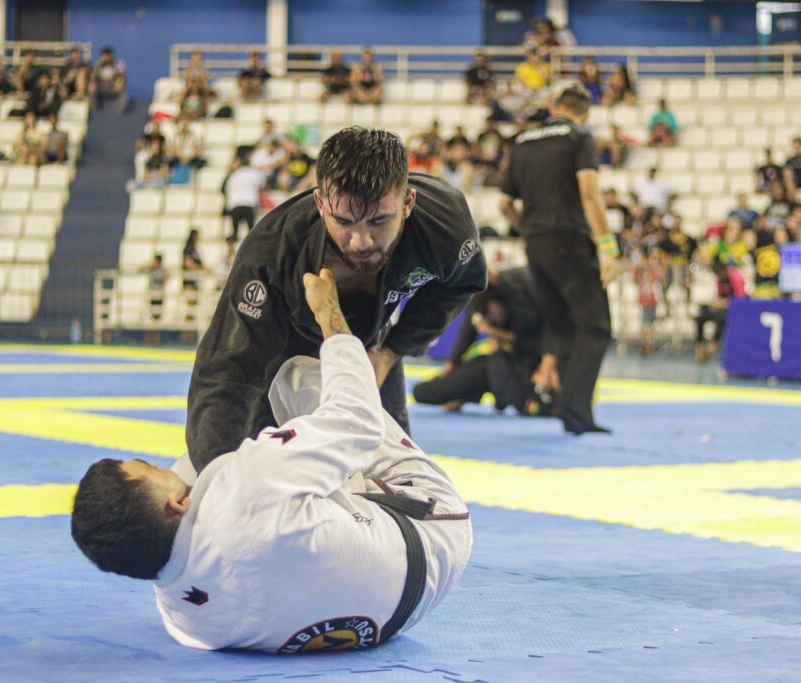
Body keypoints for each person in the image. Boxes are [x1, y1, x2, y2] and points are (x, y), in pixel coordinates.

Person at [71, 274, 472, 651]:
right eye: (151, 470)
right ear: (175, 505)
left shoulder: (185, 621)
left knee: (224, 474)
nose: (160, 467)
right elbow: (358, 422)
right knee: (298, 377)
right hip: (435, 534)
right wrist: (331, 319)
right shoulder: (251, 486)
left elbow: (204, 485)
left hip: (389, 619)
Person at [186, 127, 486, 471]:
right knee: (269, 470)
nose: (361, 241)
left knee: (394, 472)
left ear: (407, 203)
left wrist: (392, 351)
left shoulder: (443, 226)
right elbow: (228, 372)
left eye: (379, 221)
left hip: (369, 345)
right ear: (319, 203)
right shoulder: (271, 252)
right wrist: (214, 477)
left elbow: (462, 283)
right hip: (281, 348)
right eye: (343, 221)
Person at [499, 87, 615, 435]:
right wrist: (608, 247)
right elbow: (590, 194)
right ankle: (577, 414)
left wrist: (530, 230)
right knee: (595, 327)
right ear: (585, 113)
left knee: (561, 326)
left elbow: (505, 205)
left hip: (535, 243)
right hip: (569, 240)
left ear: (554, 107)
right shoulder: (579, 137)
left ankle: (565, 408)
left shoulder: (521, 142)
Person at [413, 266, 542, 414]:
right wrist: (451, 365)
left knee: (500, 366)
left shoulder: (523, 299)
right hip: (494, 368)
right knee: (423, 392)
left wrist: (496, 332)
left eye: (494, 312)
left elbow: (537, 344)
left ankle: (516, 400)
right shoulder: (479, 304)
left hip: (526, 370)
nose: (494, 319)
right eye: (489, 318)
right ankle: (468, 393)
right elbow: (468, 332)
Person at [694, 259, 746, 363]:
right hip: (721, 306)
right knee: (701, 315)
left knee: (721, 317)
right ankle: (700, 346)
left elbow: (741, 298)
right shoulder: (719, 279)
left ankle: (714, 344)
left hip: (734, 309)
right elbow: (718, 295)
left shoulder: (735, 277)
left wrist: (724, 303)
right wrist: (716, 303)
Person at [221, 154, 265, 246]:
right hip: (249, 202)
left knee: (235, 230)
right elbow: (262, 185)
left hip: (235, 204)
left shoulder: (233, 175)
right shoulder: (254, 173)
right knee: (251, 230)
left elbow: (226, 189)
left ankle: (233, 244)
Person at [91, 47, 128, 112]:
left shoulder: (118, 64)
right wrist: (93, 84)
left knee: (123, 87)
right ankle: (94, 106)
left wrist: (119, 83)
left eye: (108, 56)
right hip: (102, 85)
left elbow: (121, 76)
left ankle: (122, 107)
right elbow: (93, 76)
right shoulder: (98, 65)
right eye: (104, 56)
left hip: (113, 86)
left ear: (111, 56)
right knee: (91, 87)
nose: (106, 58)